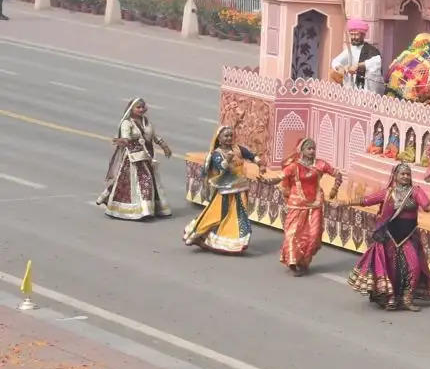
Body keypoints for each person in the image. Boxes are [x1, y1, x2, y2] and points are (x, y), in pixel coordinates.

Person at [343, 163, 430, 311]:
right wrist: (347, 203)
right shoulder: (387, 193)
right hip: (388, 237)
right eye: (402, 174)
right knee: (391, 268)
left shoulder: (415, 191)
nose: (406, 177)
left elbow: (427, 205)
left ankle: (407, 298)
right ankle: (390, 297)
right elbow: (366, 200)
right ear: (395, 176)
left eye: (408, 174)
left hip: (408, 237)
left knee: (414, 266)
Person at [183, 120, 269, 254]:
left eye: (231, 135)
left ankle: (232, 242)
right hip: (225, 191)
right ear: (219, 138)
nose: (229, 138)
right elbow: (222, 168)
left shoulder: (237, 149)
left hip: (240, 189)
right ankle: (197, 233)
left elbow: (251, 155)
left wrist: (260, 164)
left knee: (238, 216)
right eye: (226, 136)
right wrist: (227, 160)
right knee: (217, 214)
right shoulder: (217, 154)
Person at [96, 97, 173, 220]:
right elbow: (126, 138)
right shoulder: (127, 123)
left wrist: (164, 146)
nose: (141, 109)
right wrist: (122, 140)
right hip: (133, 159)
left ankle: (147, 210)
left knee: (147, 182)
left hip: (147, 157)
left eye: (143, 107)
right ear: (131, 109)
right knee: (144, 182)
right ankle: (143, 212)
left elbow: (154, 136)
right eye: (138, 107)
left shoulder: (146, 122)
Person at [278, 138, 341, 276]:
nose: (312, 151)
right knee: (293, 233)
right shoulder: (294, 166)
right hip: (297, 204)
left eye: (313, 148)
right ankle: (293, 260)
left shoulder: (320, 164)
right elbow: (281, 178)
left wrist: (334, 189)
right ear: (301, 150)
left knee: (313, 235)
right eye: (309, 148)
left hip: (315, 204)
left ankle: (304, 261)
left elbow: (338, 174)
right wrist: (267, 181)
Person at [331, 19, 384, 94]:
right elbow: (335, 61)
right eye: (352, 34)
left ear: (363, 35)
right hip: (351, 88)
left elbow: (377, 62)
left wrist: (358, 66)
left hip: (367, 90)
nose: (354, 37)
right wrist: (340, 68)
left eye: (356, 34)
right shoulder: (350, 50)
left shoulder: (371, 50)